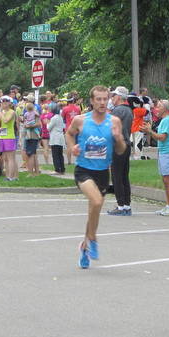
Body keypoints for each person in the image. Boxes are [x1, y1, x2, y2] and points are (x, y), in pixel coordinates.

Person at [66, 85, 126, 269]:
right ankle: (93, 239)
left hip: (102, 173)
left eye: (104, 99)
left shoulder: (114, 121)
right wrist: (71, 147)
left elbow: (121, 150)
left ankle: (85, 246)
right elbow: (69, 134)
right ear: (91, 101)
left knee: (94, 209)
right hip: (83, 170)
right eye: (98, 99)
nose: (102, 102)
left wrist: (118, 139)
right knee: (97, 201)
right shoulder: (80, 120)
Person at [141, 99, 169, 216]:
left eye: (159, 107)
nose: (157, 109)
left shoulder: (167, 120)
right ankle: (168, 205)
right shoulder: (164, 120)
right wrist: (149, 130)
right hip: (163, 152)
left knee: (168, 180)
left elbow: (162, 137)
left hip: (168, 153)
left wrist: (149, 131)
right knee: (165, 180)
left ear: (165, 109)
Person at [107, 86, 134, 216]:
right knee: (124, 176)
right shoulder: (129, 110)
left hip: (117, 145)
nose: (112, 98)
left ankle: (121, 205)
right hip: (126, 144)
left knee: (116, 176)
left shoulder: (117, 110)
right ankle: (127, 205)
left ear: (118, 97)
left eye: (113, 96)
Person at [0, 96, 18, 181]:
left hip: (9, 136)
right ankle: (7, 175)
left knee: (10, 158)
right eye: (2, 102)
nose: (4, 103)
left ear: (10, 103)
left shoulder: (12, 112)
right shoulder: (1, 112)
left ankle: (11, 176)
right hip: (2, 136)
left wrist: (1, 112)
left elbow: (6, 120)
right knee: (5, 158)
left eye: (6, 102)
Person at [23, 102, 41, 176]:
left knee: (30, 154)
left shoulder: (30, 114)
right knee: (34, 154)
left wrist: (28, 126)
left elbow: (38, 123)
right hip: (32, 135)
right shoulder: (35, 113)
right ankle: (36, 172)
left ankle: (31, 173)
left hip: (32, 136)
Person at [62, 94, 81, 164]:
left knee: (69, 145)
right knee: (78, 144)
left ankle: (69, 161)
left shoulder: (65, 109)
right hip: (77, 128)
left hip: (68, 128)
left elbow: (62, 118)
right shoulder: (78, 108)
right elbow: (80, 116)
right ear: (73, 100)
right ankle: (77, 160)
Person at [47, 103, 66, 175]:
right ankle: (62, 168)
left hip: (55, 137)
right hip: (60, 137)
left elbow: (49, 128)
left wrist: (47, 123)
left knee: (55, 154)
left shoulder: (54, 118)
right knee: (60, 154)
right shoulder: (60, 117)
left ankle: (57, 169)